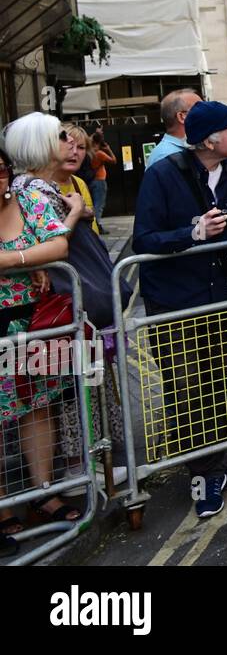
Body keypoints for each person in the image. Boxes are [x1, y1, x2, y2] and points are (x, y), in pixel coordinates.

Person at [131, 101, 227, 517]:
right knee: (187, 391)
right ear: (210, 140)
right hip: (177, 300)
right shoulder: (163, 174)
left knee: (218, 384)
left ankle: (220, 469)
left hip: (224, 295)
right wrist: (192, 232)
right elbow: (144, 239)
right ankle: (202, 481)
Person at [0, 143, 78, 553]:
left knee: (38, 407)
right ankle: (2, 508)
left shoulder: (28, 197)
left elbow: (59, 244)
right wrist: (30, 260)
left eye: (0, 169)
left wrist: (12, 261)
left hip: (35, 322)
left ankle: (45, 494)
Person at [145, 87, 202, 168]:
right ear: (182, 117)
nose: (206, 113)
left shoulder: (182, 150)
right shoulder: (167, 157)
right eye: (200, 109)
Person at [88, 131, 116, 224]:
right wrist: (108, 149)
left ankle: (93, 224)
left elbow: (88, 139)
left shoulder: (89, 152)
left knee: (93, 203)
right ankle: (96, 225)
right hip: (100, 180)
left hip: (91, 181)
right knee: (99, 205)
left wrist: (95, 133)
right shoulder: (100, 154)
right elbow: (113, 160)